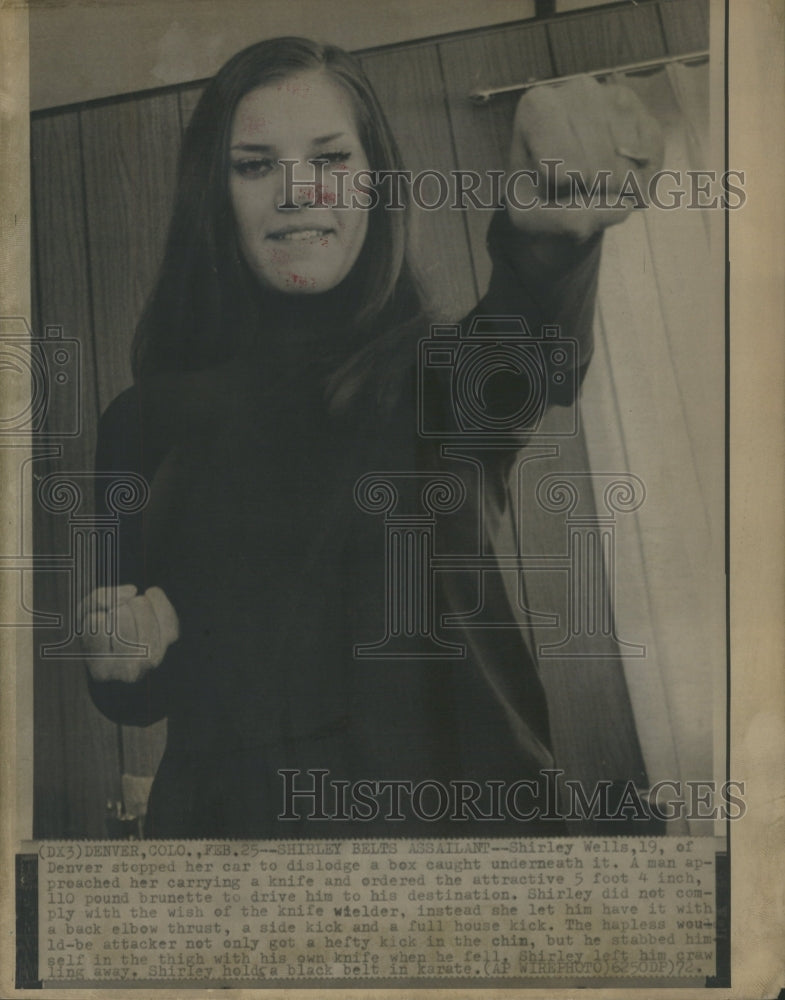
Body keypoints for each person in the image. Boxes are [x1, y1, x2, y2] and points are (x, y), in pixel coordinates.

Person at [79, 36, 662, 838]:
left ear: (376, 184)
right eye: (254, 166)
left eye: (330, 159)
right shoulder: (137, 422)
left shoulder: (438, 375)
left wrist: (544, 238)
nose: (297, 192)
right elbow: (135, 688)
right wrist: (117, 655)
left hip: (465, 861)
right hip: (244, 867)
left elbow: (527, 350)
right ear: (213, 197)